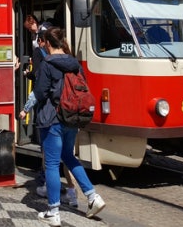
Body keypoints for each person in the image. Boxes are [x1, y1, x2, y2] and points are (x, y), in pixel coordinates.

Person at [29, 27, 105, 225]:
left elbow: (40, 92)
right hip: (72, 117)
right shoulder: (75, 64)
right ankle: (92, 196)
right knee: (69, 156)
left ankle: (53, 211)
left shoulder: (47, 63)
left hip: (52, 118)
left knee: (52, 164)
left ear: (46, 42)